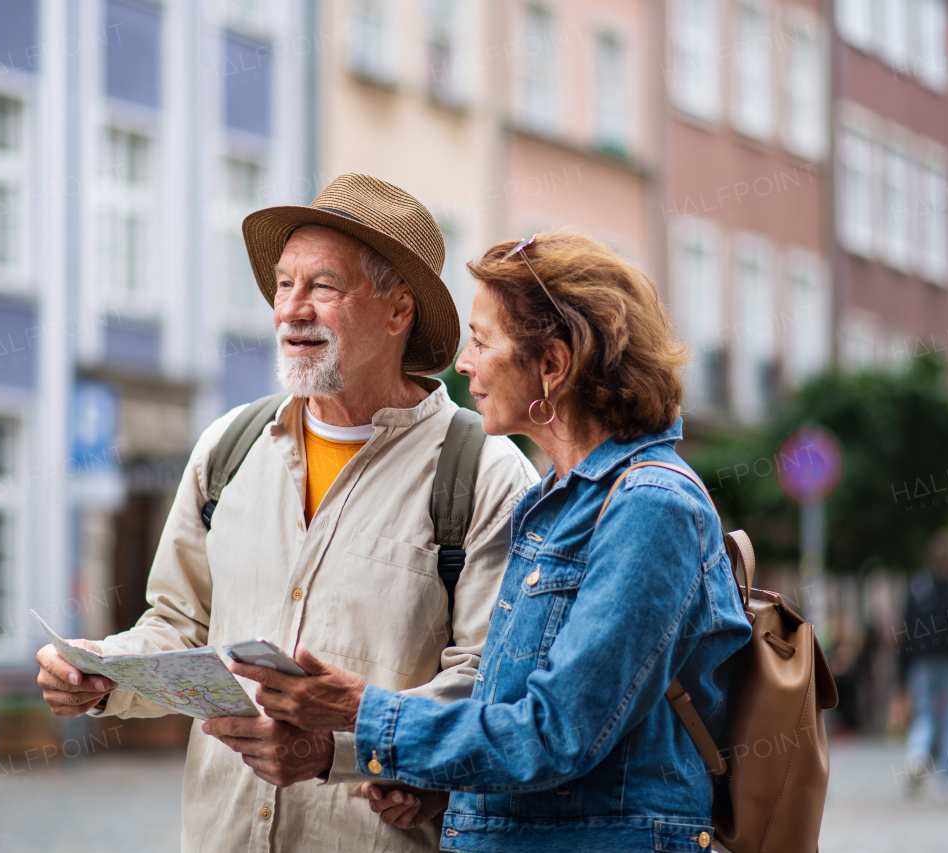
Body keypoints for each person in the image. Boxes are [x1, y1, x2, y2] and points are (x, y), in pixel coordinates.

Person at [35, 174, 538, 852]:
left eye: (323, 287)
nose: (290, 310)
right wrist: (103, 668)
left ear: (398, 312)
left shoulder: (483, 473)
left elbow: (491, 687)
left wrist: (338, 746)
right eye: (282, 285)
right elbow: (179, 627)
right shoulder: (227, 449)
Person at [215, 232, 753, 851]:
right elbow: (514, 731)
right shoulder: (556, 501)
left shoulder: (650, 508)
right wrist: (447, 787)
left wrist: (359, 710)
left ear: (552, 366)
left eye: (481, 339)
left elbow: (556, 735)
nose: (463, 362)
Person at [898, 528, 948, 796]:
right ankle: (946, 778)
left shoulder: (917, 586)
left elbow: (906, 628)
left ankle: (916, 756)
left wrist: (902, 670)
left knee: (924, 714)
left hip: (919, 661)